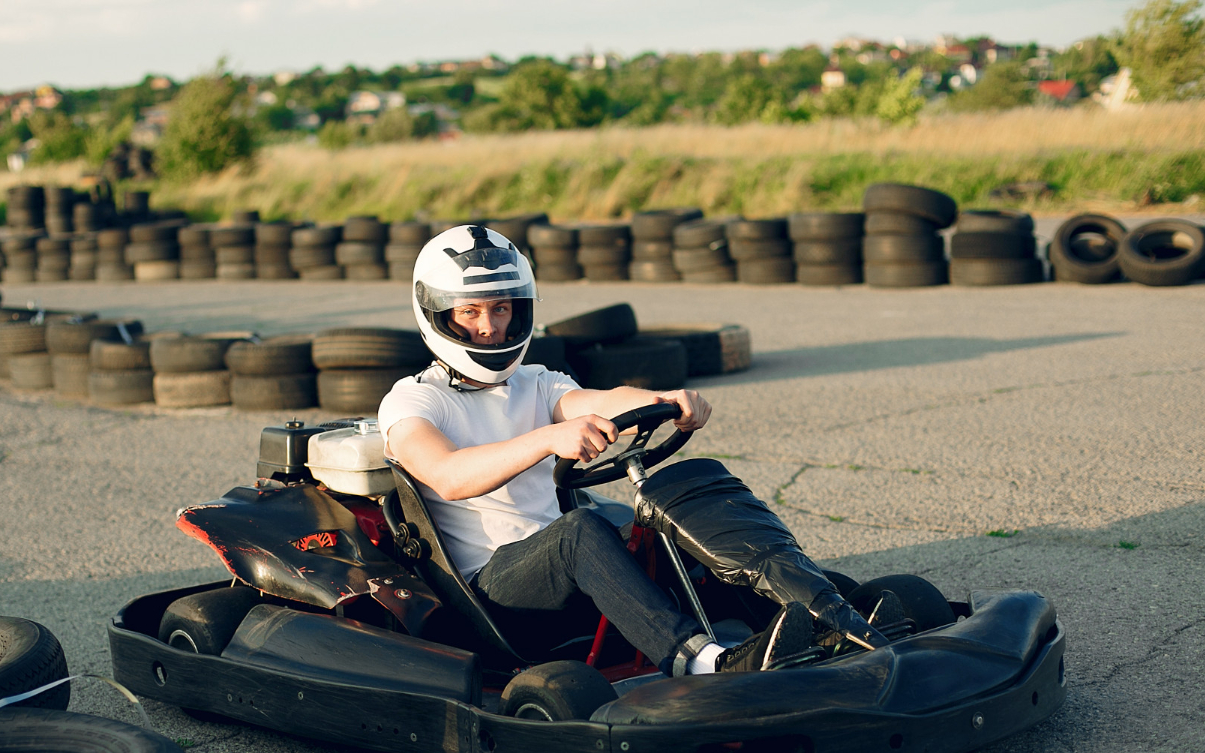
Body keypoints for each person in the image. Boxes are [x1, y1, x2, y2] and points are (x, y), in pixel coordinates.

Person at [378, 225, 889, 676]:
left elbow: (602, 401)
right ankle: (701, 662)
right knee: (580, 531)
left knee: (664, 527)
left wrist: (662, 400)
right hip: (494, 592)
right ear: (438, 315)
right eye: (470, 312)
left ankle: (820, 616)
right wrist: (546, 439)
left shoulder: (535, 383)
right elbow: (444, 474)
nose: (488, 327)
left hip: (569, 570)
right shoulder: (414, 400)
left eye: (500, 308)